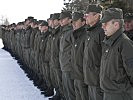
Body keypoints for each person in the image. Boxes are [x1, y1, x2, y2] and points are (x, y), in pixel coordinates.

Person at [100, 8, 133, 100]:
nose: (103, 27)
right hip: (109, 93)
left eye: (105, 24)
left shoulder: (125, 43)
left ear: (116, 24)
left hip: (120, 94)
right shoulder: (108, 42)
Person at [83, 4, 104, 100]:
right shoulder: (90, 31)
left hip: (97, 80)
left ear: (96, 16)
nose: (85, 17)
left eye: (87, 14)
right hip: (90, 78)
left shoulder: (102, 32)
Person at [71, 11, 89, 100]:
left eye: (76, 21)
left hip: (83, 76)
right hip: (76, 74)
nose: (73, 24)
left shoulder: (85, 35)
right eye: (72, 22)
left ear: (83, 22)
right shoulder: (76, 35)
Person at [59, 11, 76, 100]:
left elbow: (74, 50)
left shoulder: (71, 32)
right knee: (66, 90)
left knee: (71, 92)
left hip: (69, 67)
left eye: (63, 19)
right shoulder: (64, 32)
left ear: (70, 20)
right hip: (64, 65)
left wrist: (70, 63)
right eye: (60, 19)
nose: (61, 21)